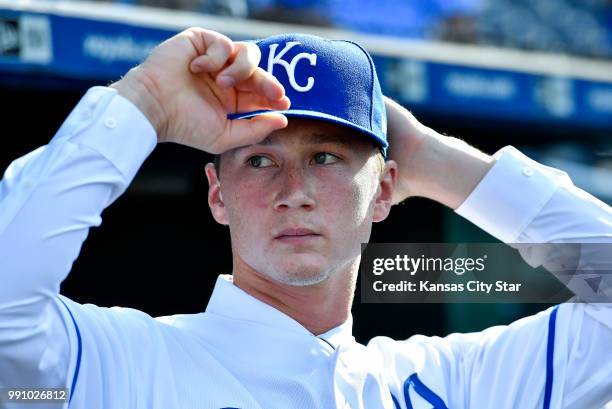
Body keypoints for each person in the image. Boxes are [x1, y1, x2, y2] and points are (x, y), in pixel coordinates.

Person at [0, 27, 610, 409]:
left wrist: (435, 161)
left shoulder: (451, 382)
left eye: (325, 157)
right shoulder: (109, 367)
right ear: (217, 194)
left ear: (383, 193)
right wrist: (142, 106)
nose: (294, 191)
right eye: (261, 160)